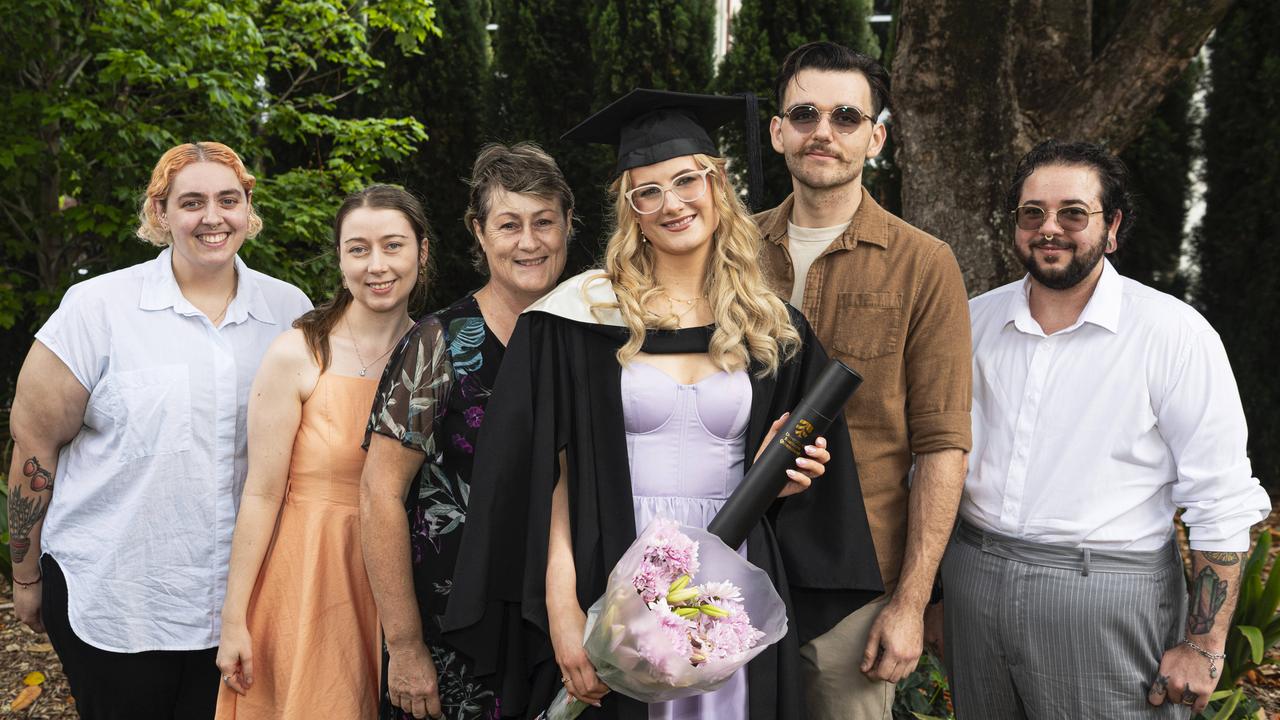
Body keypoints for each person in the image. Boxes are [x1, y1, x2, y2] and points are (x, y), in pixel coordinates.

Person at [441, 89, 884, 720]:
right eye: (648, 191)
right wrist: (564, 609)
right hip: (613, 564)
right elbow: (547, 478)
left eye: (686, 180)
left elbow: (813, 488)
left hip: (729, 574)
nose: (671, 203)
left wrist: (791, 482)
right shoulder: (580, 317)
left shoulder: (772, 327)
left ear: (717, 184)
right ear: (630, 210)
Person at [942, 140, 1271, 718]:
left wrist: (1203, 643)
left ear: (1113, 226)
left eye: (1074, 212)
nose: (1050, 228)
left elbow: (1219, 498)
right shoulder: (974, 321)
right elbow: (939, 460)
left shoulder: (1174, 335)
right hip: (975, 580)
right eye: (1032, 213)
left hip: (1107, 595)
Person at [5, 141, 313, 719]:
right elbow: (34, 446)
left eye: (228, 199)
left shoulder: (288, 310)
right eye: (191, 202)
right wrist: (24, 579)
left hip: (242, 605)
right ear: (160, 213)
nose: (212, 217)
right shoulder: (96, 308)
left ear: (248, 207)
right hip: (117, 599)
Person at [756, 41, 972, 718]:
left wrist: (911, 603)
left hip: (857, 586)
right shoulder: (728, 256)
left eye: (847, 117)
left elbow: (942, 445)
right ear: (777, 131)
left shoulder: (924, 265)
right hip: (736, 563)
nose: (824, 131)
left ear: (876, 137)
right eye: (805, 113)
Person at [361, 143, 574, 720]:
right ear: (479, 233)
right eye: (509, 225)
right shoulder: (438, 343)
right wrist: (403, 647)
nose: (528, 242)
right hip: (454, 633)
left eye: (543, 222)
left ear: (568, 225)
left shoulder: (593, 334)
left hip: (566, 625)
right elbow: (379, 494)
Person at [213, 185, 430, 718]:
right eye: (358, 249)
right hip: (311, 575)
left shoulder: (437, 352)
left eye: (392, 245)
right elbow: (262, 493)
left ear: (422, 253)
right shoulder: (300, 352)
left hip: (406, 579)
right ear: (340, 259)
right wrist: (234, 619)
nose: (376, 265)